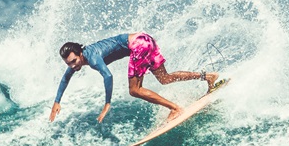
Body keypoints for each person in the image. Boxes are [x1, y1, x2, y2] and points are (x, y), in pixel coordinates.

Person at [48, 32, 219, 124]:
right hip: (145, 39)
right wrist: (57, 101)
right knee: (165, 78)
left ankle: (175, 108)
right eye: (69, 63)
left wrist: (107, 103)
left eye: (74, 61)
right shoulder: (78, 61)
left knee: (134, 90)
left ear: (80, 53)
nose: (72, 66)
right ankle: (208, 77)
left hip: (139, 45)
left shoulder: (92, 58)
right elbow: (65, 78)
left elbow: (107, 75)